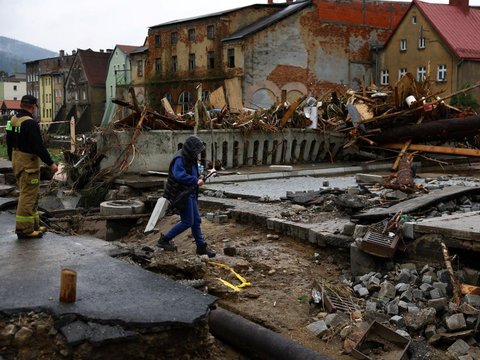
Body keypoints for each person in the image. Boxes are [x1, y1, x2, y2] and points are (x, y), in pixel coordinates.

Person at [6, 95, 58, 239]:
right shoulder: (30, 123)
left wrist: (12, 157)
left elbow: (8, 140)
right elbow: (38, 147)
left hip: (17, 159)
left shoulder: (12, 120)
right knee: (28, 195)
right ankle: (24, 230)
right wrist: (51, 163)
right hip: (28, 162)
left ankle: (34, 224)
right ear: (33, 107)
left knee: (31, 193)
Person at [157, 135, 216, 258]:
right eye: (197, 150)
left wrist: (199, 176)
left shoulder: (190, 156)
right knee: (188, 221)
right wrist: (195, 180)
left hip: (189, 191)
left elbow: (192, 171)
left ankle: (201, 247)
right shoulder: (179, 158)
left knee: (196, 221)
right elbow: (179, 175)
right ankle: (164, 240)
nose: (198, 153)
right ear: (190, 149)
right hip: (180, 193)